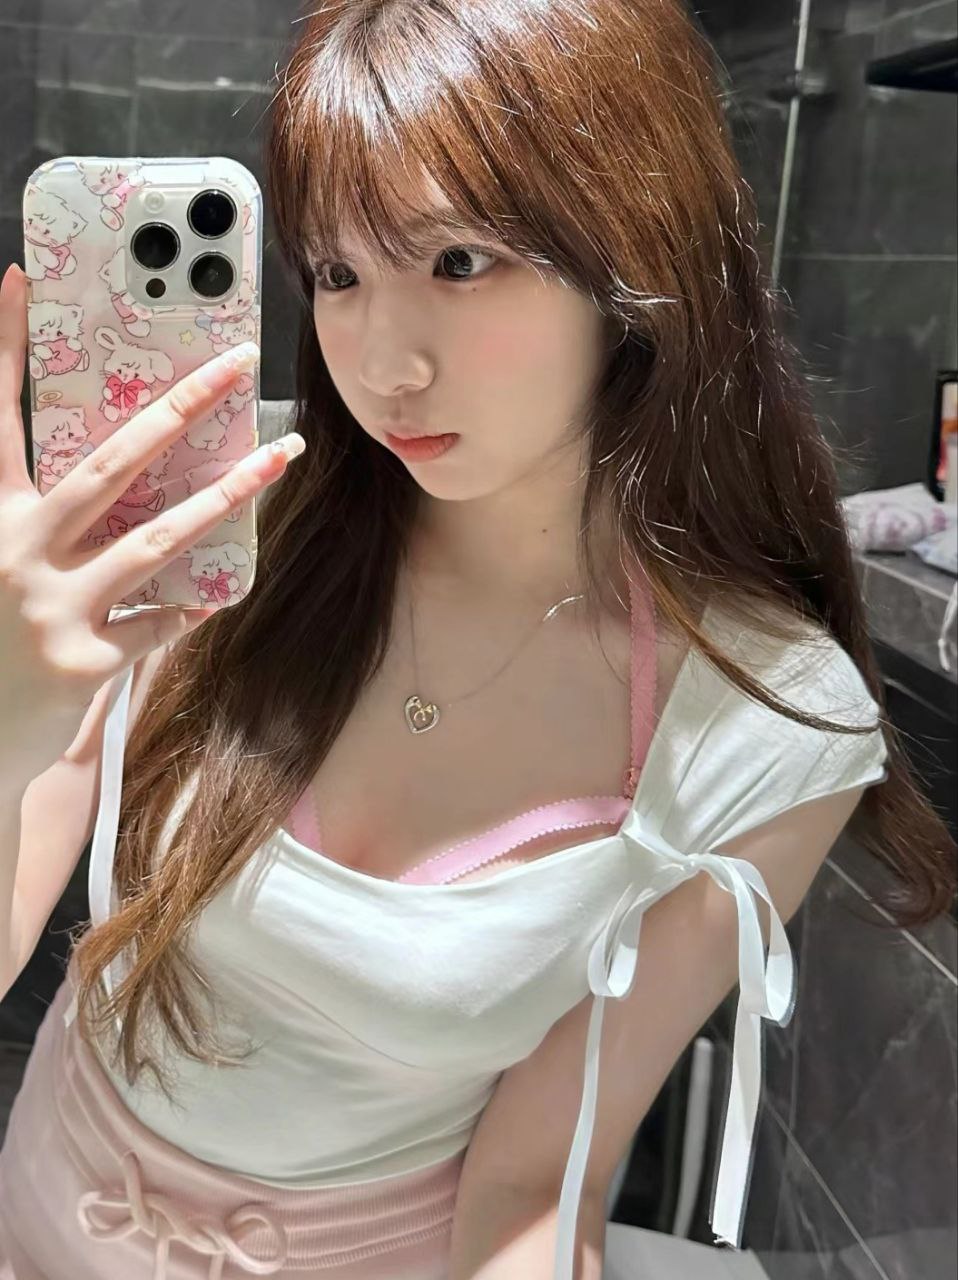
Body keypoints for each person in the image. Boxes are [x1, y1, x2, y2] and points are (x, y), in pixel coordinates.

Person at [0, 1, 954, 1277]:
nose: (384, 365)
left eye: (457, 260)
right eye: (337, 274)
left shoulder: (766, 718)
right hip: (44, 1198)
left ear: (636, 250)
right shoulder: (224, 525)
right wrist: (11, 717)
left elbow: (535, 1174)